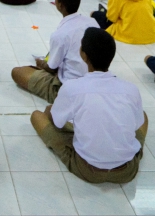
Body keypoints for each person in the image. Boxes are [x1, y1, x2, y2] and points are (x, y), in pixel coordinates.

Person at [30, 28, 147, 184]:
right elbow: (137, 124)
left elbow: (57, 122)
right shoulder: (131, 89)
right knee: (143, 115)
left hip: (87, 169)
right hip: (127, 170)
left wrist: (51, 111)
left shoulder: (72, 87)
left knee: (37, 116)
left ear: (83, 55)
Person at [12, 0, 97, 103]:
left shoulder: (60, 34)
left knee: (17, 72)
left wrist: (41, 63)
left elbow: (51, 68)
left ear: (60, 5)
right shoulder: (92, 22)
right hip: (93, 81)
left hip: (69, 89)